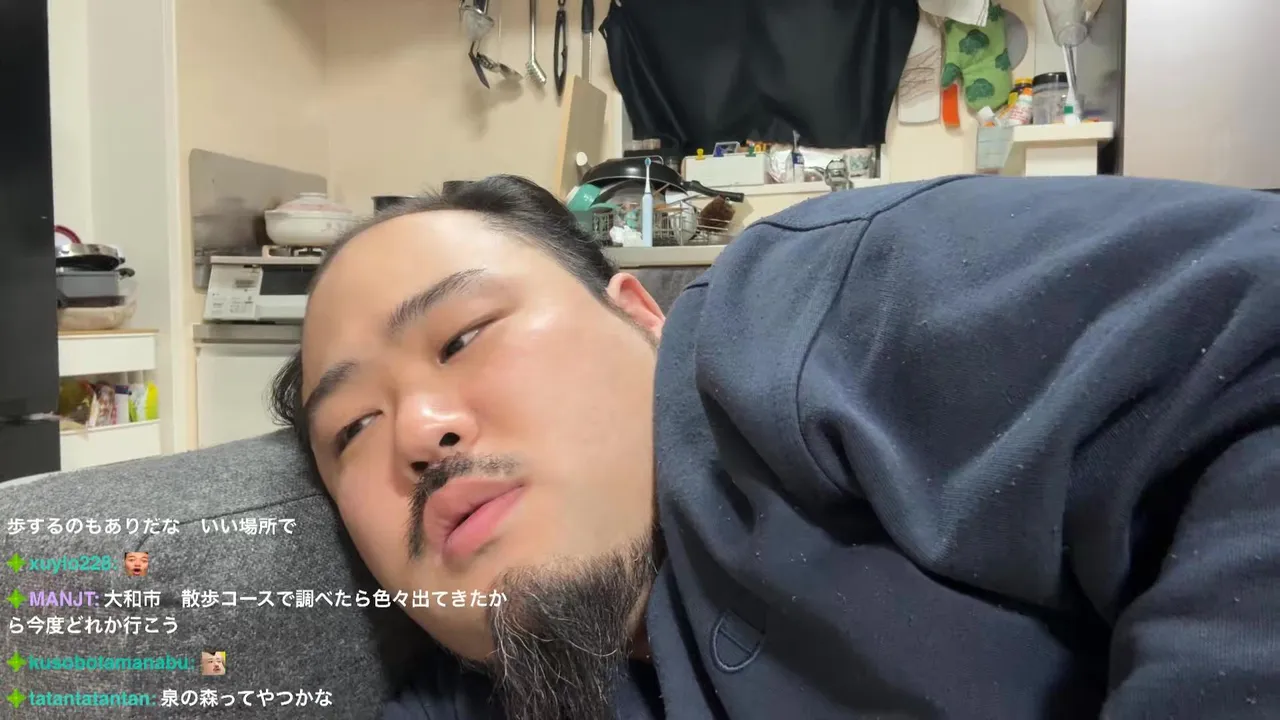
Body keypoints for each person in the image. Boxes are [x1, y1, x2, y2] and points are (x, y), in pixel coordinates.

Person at [269, 174, 1280, 719]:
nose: (419, 432)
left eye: (463, 336)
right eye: (350, 430)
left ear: (640, 316)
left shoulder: (809, 315)